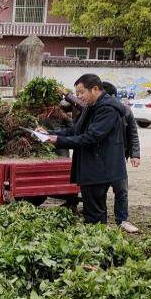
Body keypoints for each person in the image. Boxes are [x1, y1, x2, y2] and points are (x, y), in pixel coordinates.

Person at [36, 73, 125, 225]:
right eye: (77, 93)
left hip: (99, 170)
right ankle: (95, 238)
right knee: (91, 210)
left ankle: (97, 241)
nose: (79, 97)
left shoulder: (107, 109)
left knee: (94, 213)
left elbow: (90, 138)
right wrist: (49, 134)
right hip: (90, 168)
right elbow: (76, 131)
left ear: (95, 89)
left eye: (81, 92)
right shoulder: (91, 107)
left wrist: (58, 141)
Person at [101, 82, 142, 234]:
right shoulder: (94, 110)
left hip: (119, 158)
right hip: (100, 157)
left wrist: (135, 154)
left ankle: (122, 220)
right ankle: (101, 221)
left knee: (121, 190)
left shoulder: (125, 111)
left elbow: (133, 133)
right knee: (100, 190)